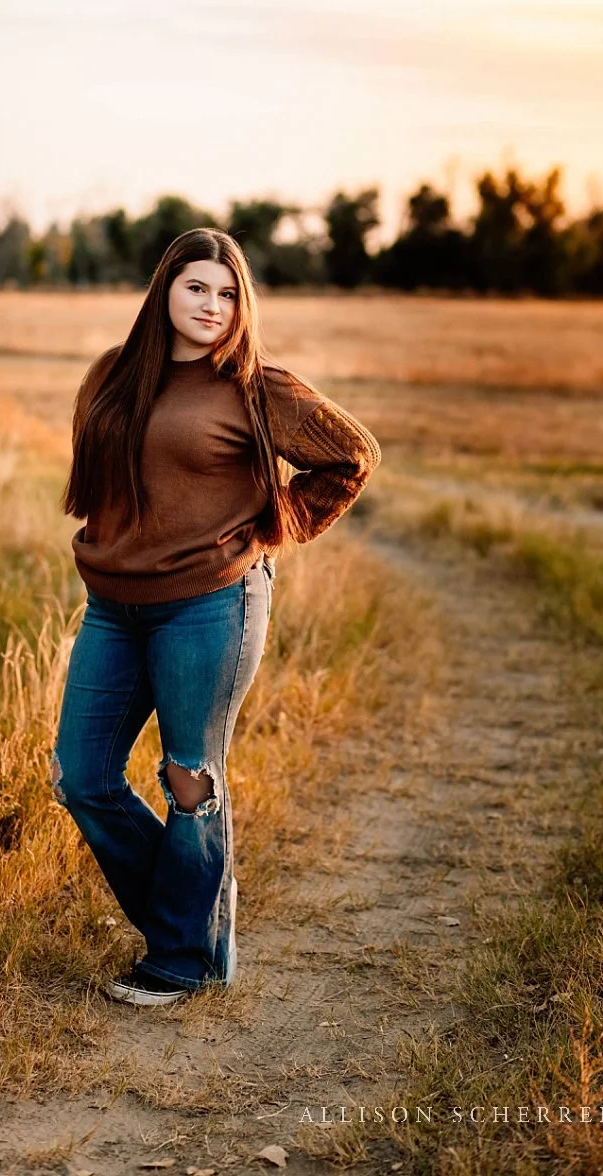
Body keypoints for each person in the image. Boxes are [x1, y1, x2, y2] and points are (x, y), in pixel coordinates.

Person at [50, 227, 380, 1004]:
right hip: (113, 609)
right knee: (82, 776)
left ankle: (181, 957)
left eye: (229, 293)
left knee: (189, 779)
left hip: (211, 605)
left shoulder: (258, 388)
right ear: (166, 288)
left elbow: (352, 454)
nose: (213, 305)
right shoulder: (111, 376)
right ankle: (190, 928)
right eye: (198, 287)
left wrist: (279, 523)